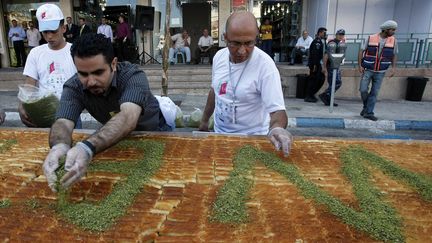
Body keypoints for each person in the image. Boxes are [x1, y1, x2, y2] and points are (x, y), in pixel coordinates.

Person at [42, 33, 175, 191]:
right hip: (112, 138)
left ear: (113, 64)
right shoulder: (73, 86)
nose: (90, 82)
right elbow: (63, 122)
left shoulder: (132, 76)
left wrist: (86, 148)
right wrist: (60, 146)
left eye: (98, 73)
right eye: (83, 74)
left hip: (154, 131)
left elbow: (128, 117)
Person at [199, 11, 293, 156]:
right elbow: (215, 91)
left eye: (249, 43)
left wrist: (277, 128)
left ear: (256, 38)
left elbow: (278, 111)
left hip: (254, 140)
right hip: (220, 136)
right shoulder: (219, 57)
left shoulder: (265, 65)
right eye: (235, 43)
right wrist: (205, 120)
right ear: (225, 38)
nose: (242, 51)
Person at [19, 4, 78, 127]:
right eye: (45, 32)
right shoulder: (36, 53)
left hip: (71, 114)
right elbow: (30, 83)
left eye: (53, 31)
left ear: (64, 28)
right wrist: (22, 104)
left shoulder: (76, 51)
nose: (49, 36)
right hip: (43, 114)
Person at [358, 20, 398, 121]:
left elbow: (394, 55)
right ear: (386, 29)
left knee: (374, 92)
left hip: (381, 71)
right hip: (368, 69)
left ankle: (369, 112)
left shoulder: (393, 40)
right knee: (363, 90)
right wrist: (359, 65)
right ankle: (367, 108)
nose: (394, 31)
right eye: (392, 29)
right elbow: (361, 51)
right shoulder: (371, 37)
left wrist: (393, 68)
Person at [319, 29, 346, 106]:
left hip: (336, 66)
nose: (341, 36)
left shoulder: (340, 44)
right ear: (336, 35)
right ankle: (325, 94)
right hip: (331, 66)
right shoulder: (332, 43)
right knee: (337, 83)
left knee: (333, 83)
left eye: (342, 35)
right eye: (339, 34)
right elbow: (326, 55)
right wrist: (324, 67)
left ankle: (329, 100)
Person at [305, 27, 327, 103]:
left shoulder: (321, 41)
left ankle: (311, 94)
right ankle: (309, 96)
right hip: (315, 64)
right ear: (320, 33)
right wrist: (314, 65)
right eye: (324, 33)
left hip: (317, 64)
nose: (325, 34)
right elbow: (315, 54)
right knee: (313, 80)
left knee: (320, 79)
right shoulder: (317, 42)